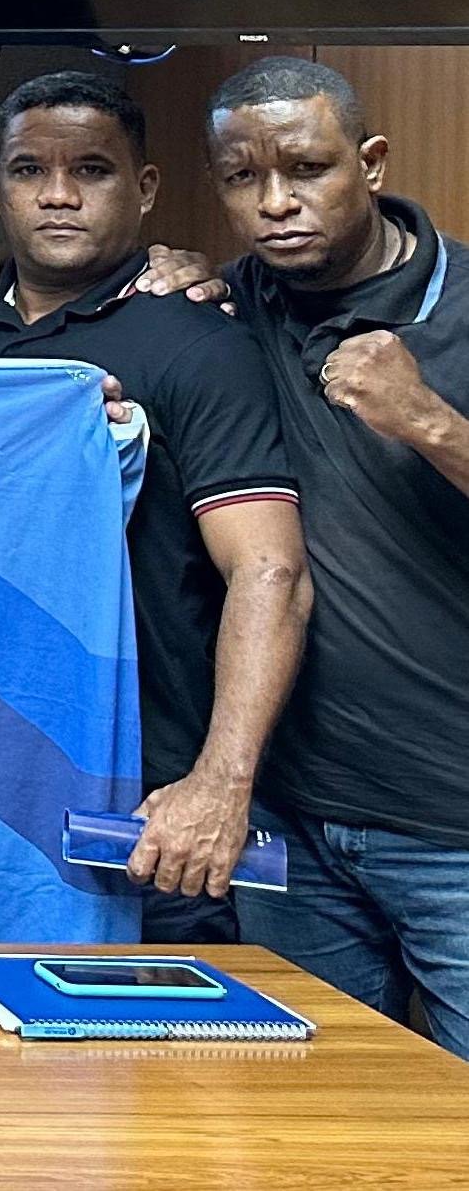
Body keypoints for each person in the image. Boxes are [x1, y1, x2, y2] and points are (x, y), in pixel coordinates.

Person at [0, 72, 308, 946]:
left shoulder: (195, 341)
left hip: (144, 807)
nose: (59, 195)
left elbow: (271, 571)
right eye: (30, 171)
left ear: (144, 189)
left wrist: (219, 785)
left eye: (94, 171)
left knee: (148, 1074)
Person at [204, 57, 469, 1056]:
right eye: (241, 178)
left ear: (369, 162)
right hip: (294, 824)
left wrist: (430, 421)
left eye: (306, 168)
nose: (275, 203)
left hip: (454, 827)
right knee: (308, 1125)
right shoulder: (230, 307)